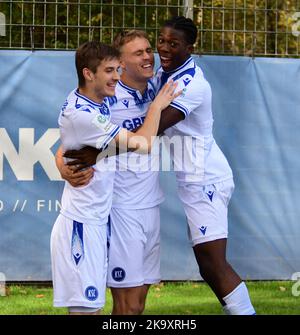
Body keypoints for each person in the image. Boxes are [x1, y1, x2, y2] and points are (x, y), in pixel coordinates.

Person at [59, 17, 256, 315]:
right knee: (127, 305)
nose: (152, 54)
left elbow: (148, 135)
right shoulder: (110, 96)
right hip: (123, 208)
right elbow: (71, 137)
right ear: (119, 63)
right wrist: (61, 163)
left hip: (181, 190)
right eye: (140, 52)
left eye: (150, 49)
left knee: (203, 268)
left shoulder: (164, 86)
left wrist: (98, 153)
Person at [51, 40, 180, 315]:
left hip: (100, 219)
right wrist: (157, 107)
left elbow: (70, 139)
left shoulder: (95, 100)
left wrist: (65, 159)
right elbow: (142, 143)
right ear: (89, 74)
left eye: (117, 70)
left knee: (107, 307)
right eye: (110, 71)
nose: (116, 77)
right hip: (84, 224)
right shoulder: (87, 112)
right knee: (90, 310)